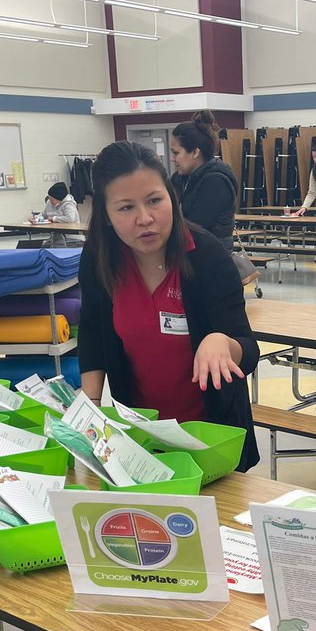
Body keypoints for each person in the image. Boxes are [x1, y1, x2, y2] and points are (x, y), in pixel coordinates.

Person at [77, 140, 259, 472]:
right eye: (126, 208)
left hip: (212, 437)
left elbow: (248, 351)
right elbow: (91, 329)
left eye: (154, 201)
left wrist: (223, 343)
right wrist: (90, 403)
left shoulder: (207, 257)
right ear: (105, 214)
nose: (144, 218)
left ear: (172, 198)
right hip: (140, 437)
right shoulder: (99, 258)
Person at [169, 111, 237, 251]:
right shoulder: (179, 178)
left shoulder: (217, 181)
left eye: (176, 153)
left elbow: (196, 227)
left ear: (195, 152)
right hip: (186, 256)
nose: (172, 158)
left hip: (212, 260)